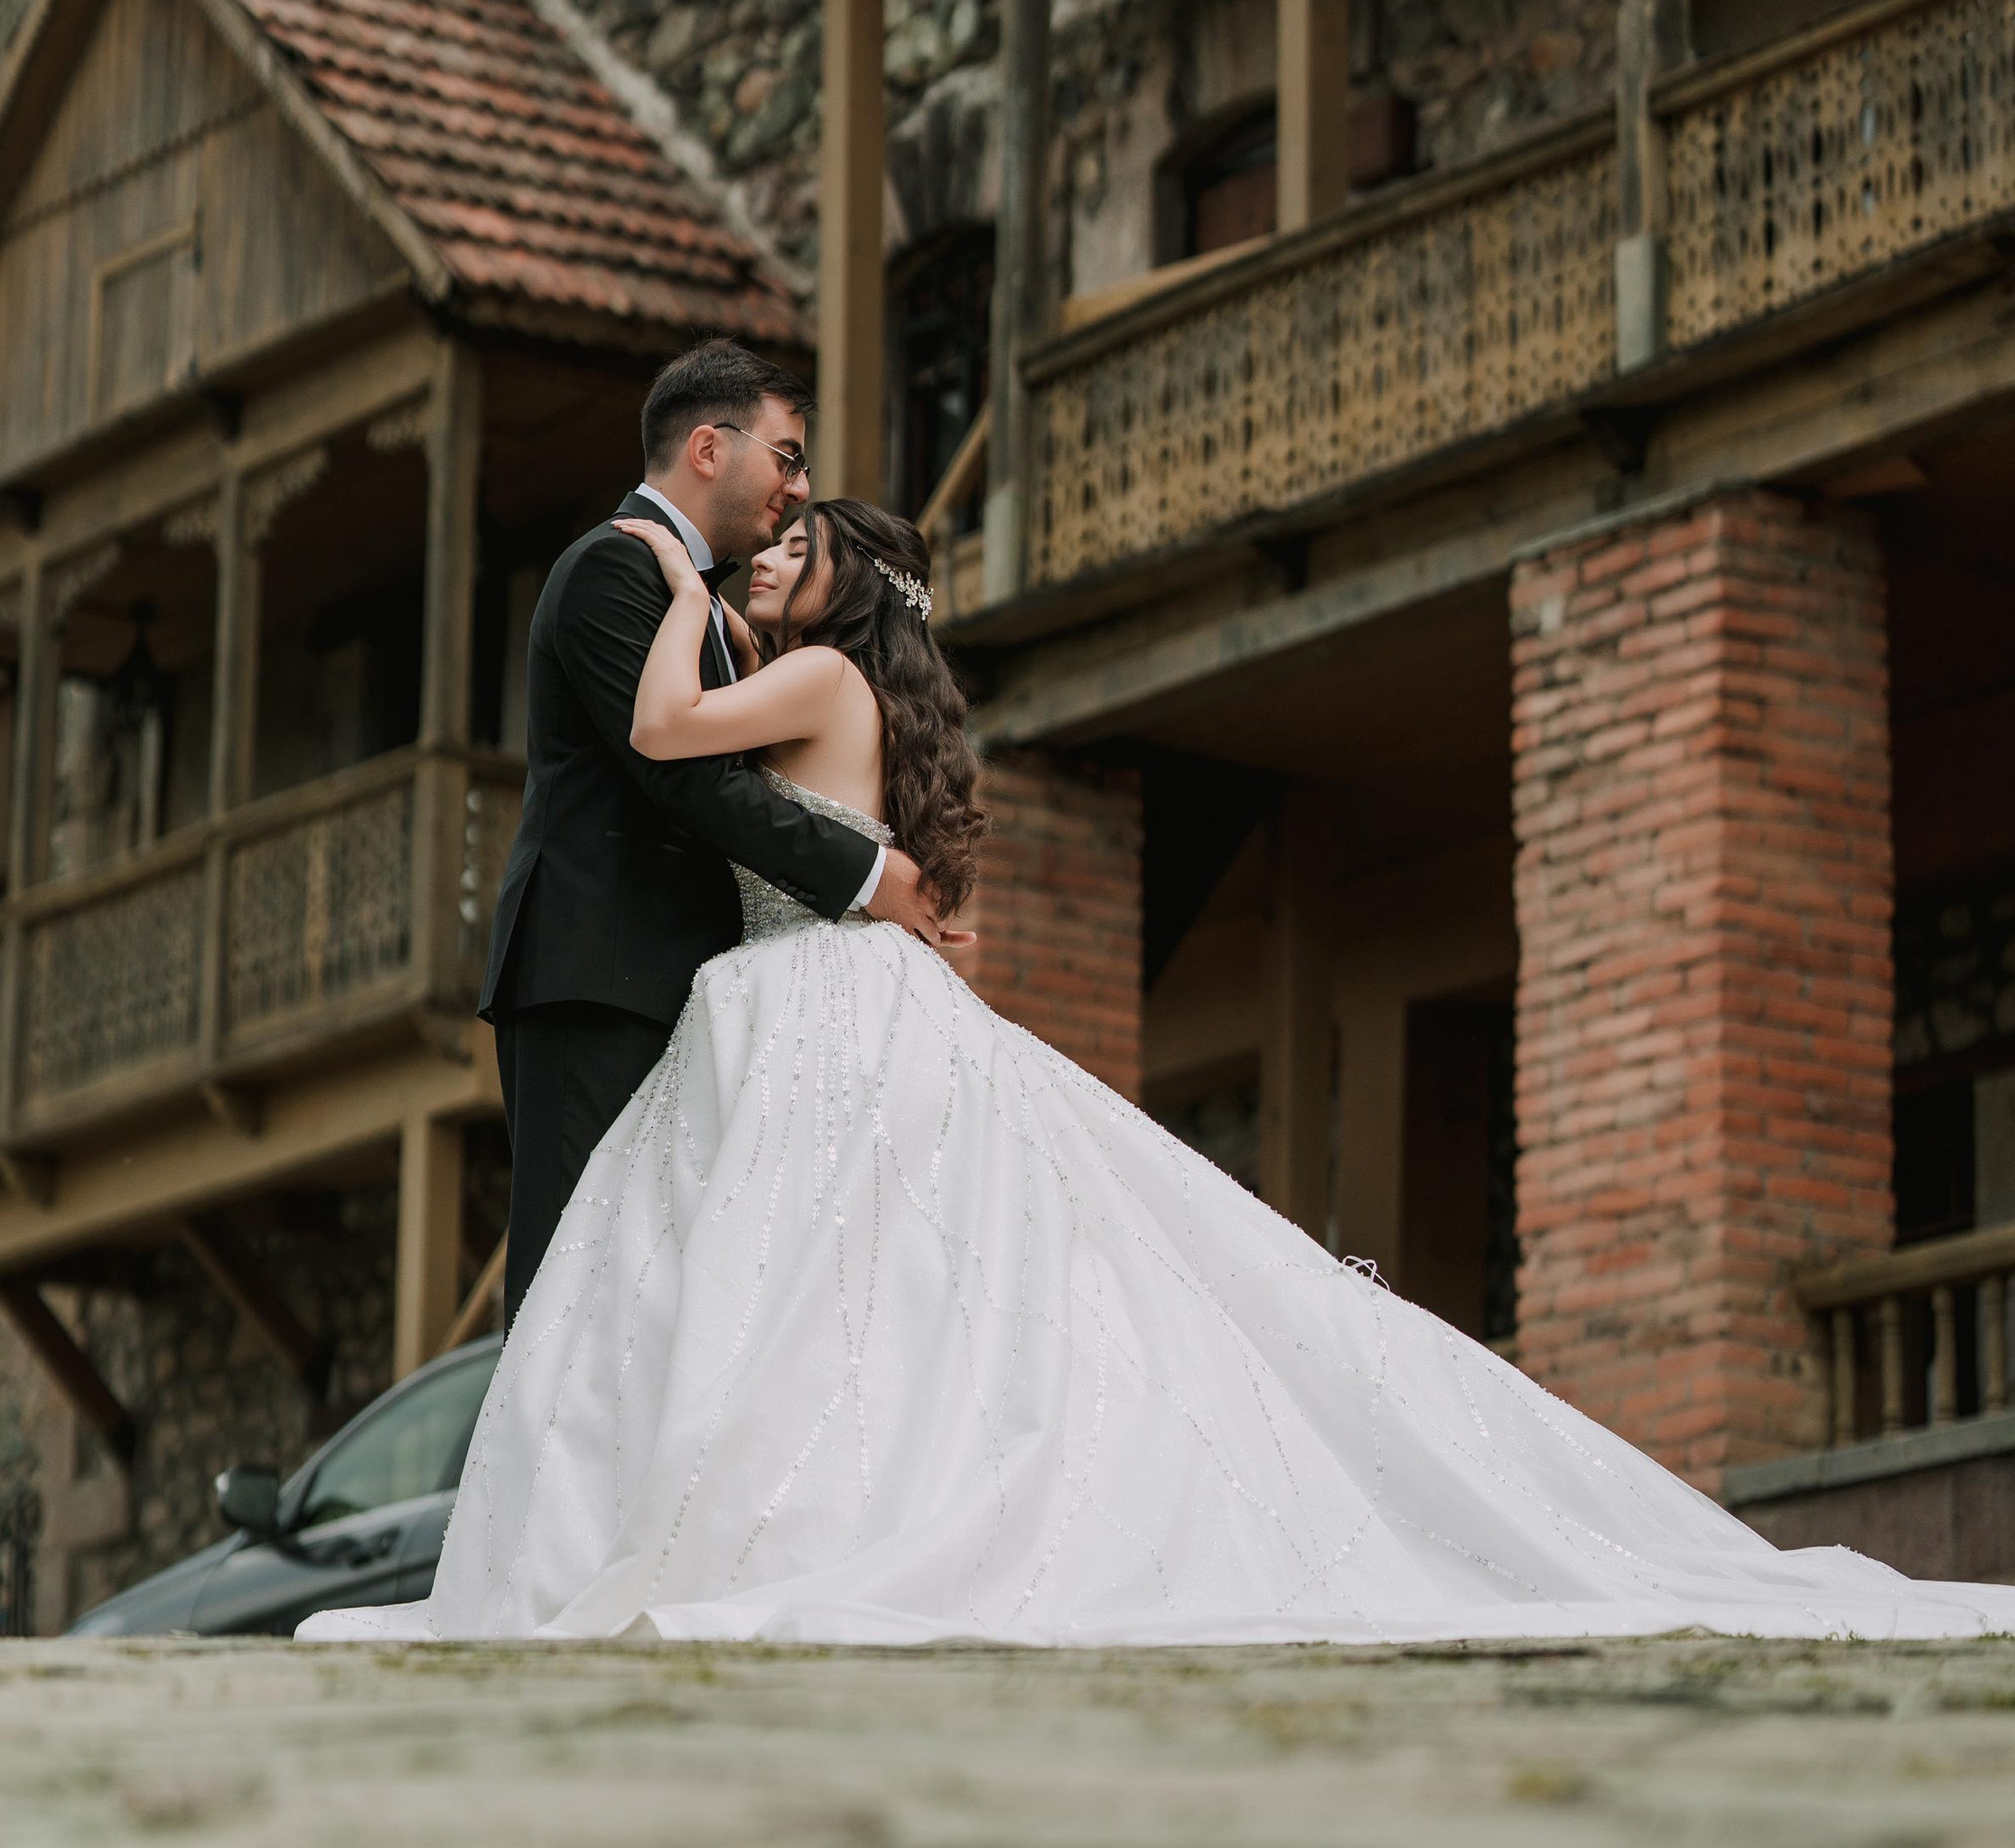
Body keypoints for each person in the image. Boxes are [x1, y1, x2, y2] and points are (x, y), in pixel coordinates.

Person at [306, 497, 2015, 1649]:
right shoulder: (836, 681)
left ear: (848, 593)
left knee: (818, 1294)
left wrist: (674, 587)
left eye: (800, 540)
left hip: (810, 1011)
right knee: (855, 1303)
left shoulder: (800, 671)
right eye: (769, 527)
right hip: (818, 1003)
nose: (770, 547)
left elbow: (670, 736)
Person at [478, 338, 969, 1333]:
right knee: (575, 1283)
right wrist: (867, 870)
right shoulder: (616, 569)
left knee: (667, 1292)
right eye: (788, 456)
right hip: (598, 973)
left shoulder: (716, 612)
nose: (797, 489)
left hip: (687, 985)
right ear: (709, 447)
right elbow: (681, 777)